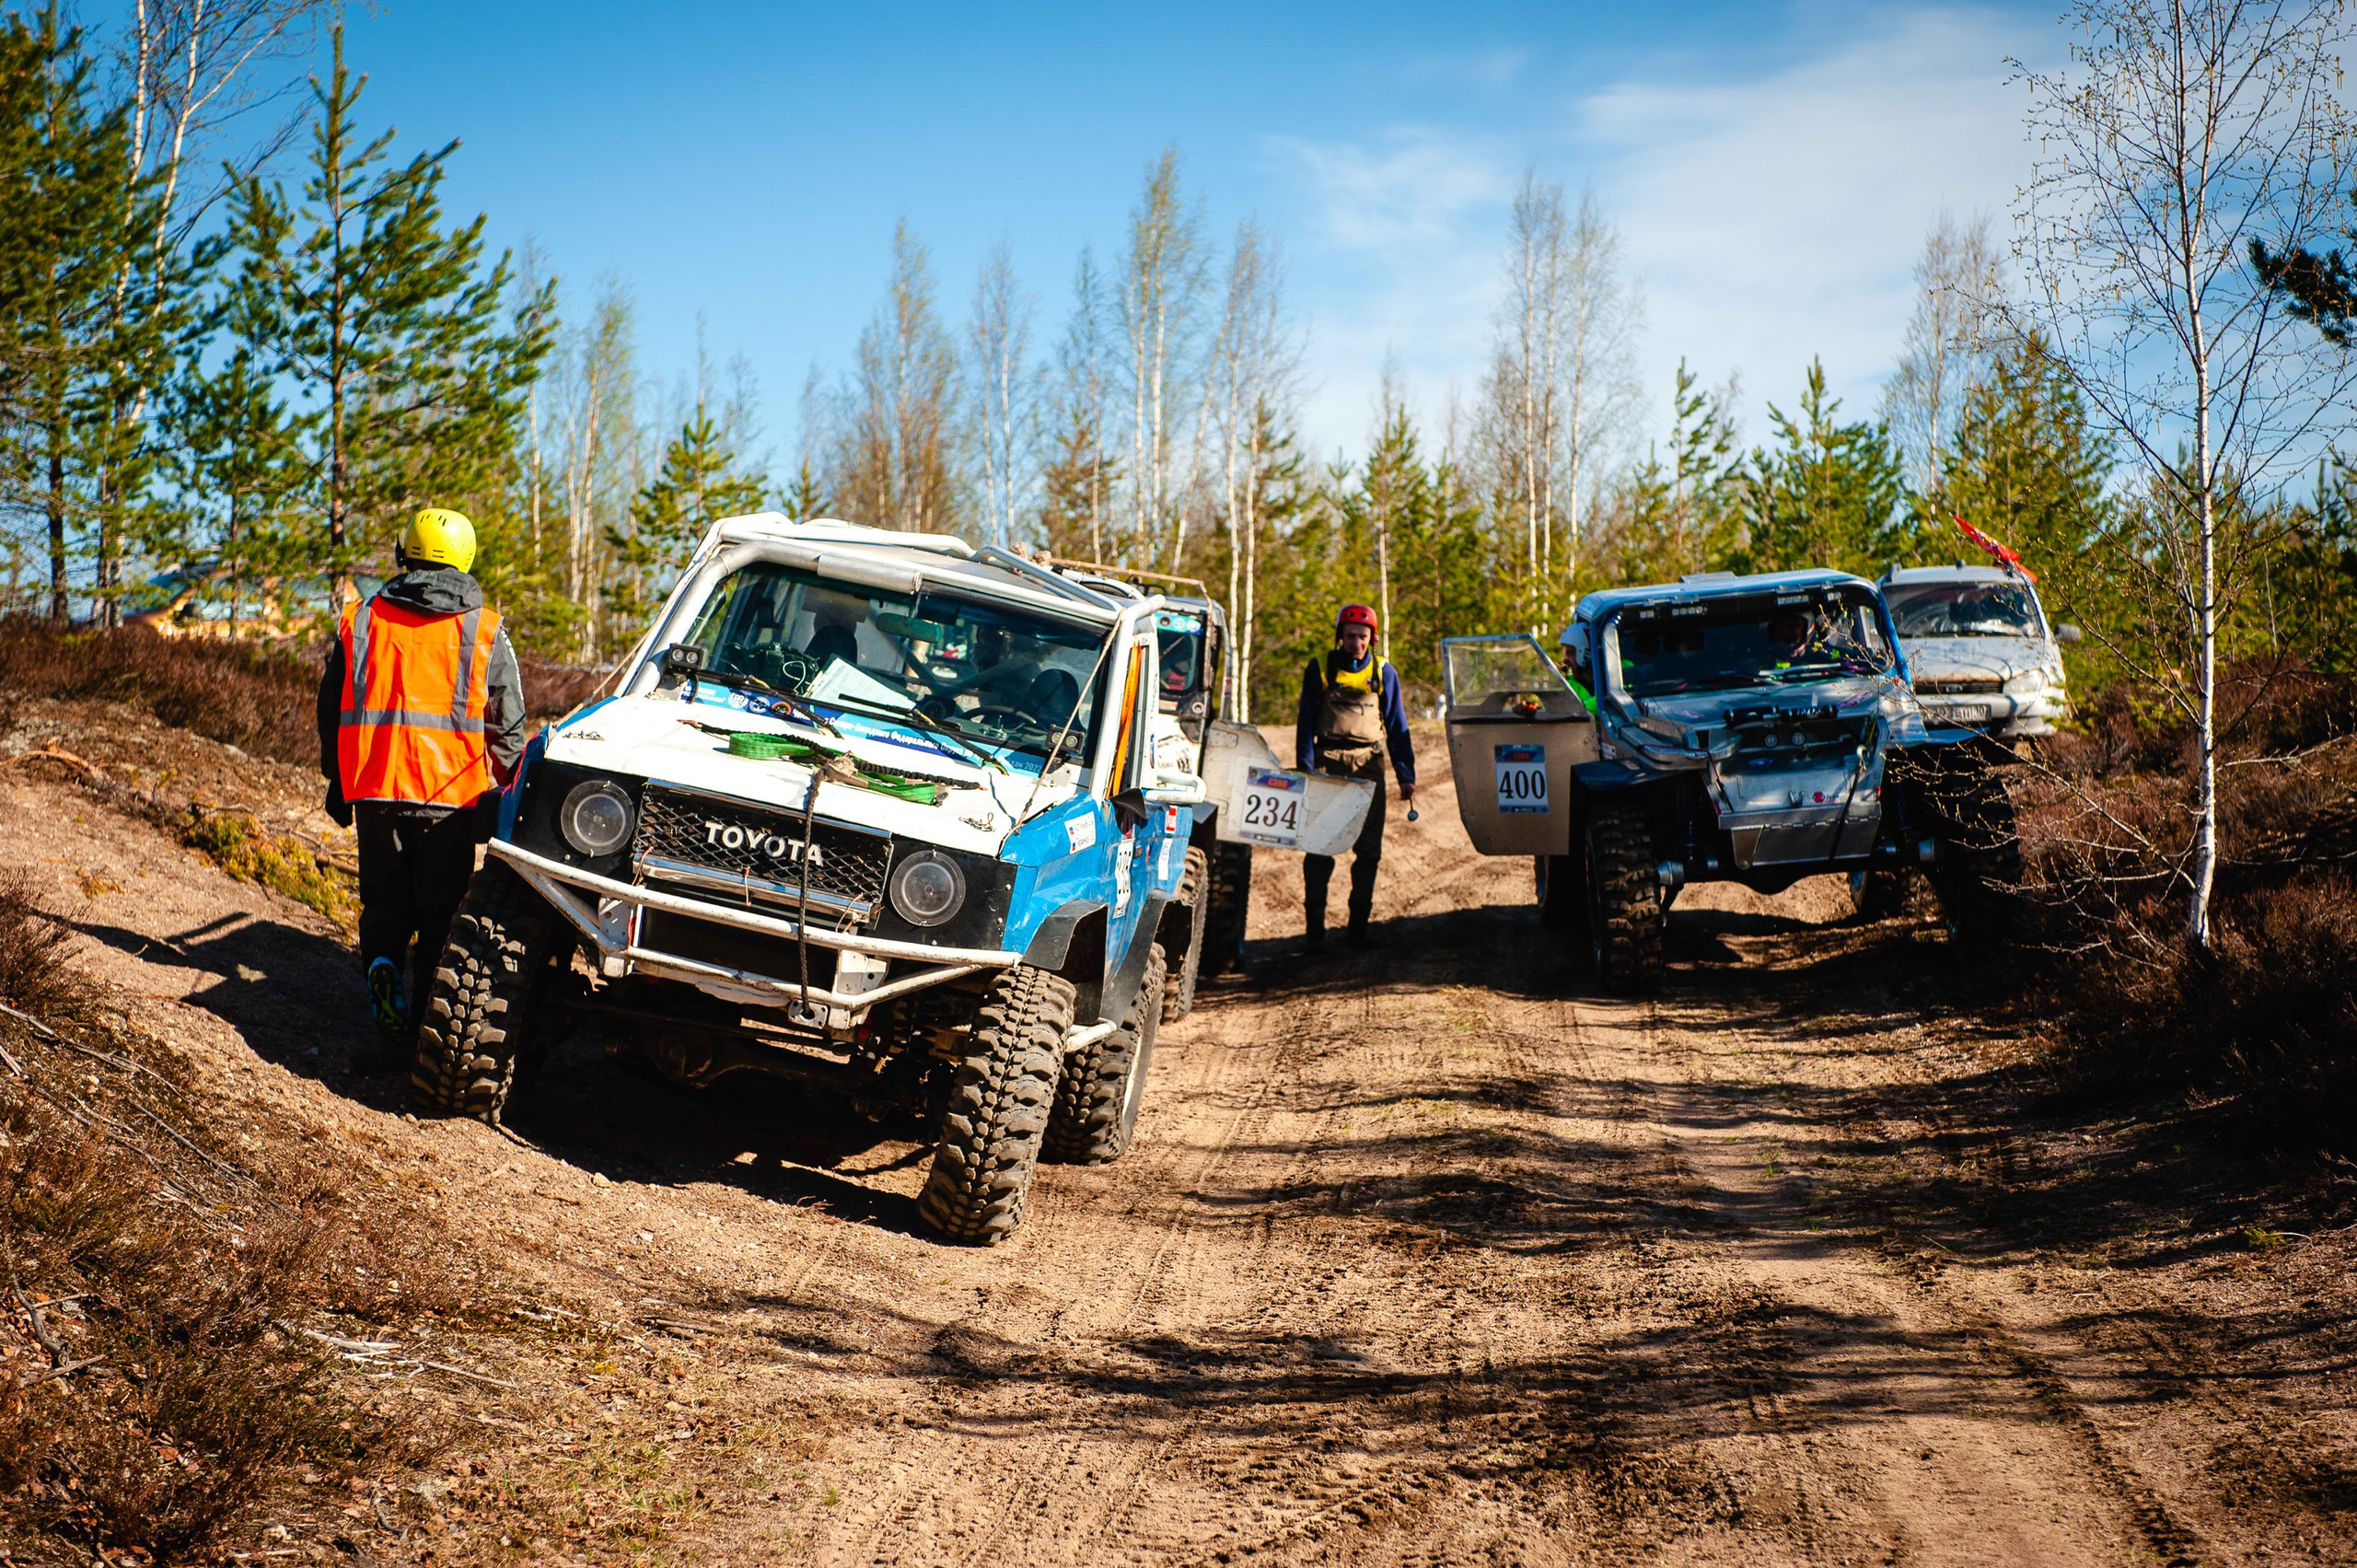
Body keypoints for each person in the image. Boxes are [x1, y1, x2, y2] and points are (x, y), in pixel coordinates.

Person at [317, 509, 528, 1071]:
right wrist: (510, 794)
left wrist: (336, 779)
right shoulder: (484, 627)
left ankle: (383, 969)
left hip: (375, 788)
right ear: (465, 559)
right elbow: (506, 722)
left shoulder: (361, 619)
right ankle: (425, 1027)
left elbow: (330, 708)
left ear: (404, 554)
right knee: (440, 914)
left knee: (385, 902)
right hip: (450, 797)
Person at [1295, 603, 1415, 950]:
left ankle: (1357, 930)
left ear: (1371, 639)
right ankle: (1313, 931)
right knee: (1319, 846)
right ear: (1340, 637)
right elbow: (1306, 719)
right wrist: (1305, 767)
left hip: (1369, 767)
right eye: (1350, 637)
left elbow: (1397, 726)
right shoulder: (1320, 667)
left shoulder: (1383, 672)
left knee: (1368, 852)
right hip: (1327, 763)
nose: (1356, 644)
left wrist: (1406, 775)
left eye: (1362, 637)